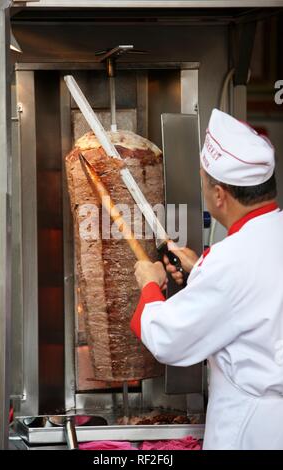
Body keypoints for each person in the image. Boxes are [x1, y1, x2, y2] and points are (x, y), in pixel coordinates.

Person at [130, 108, 283, 450]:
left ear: (219, 195)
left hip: (251, 430)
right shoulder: (265, 240)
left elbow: (167, 338)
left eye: (203, 180)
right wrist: (199, 270)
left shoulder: (231, 263)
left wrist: (150, 282)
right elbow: (252, 296)